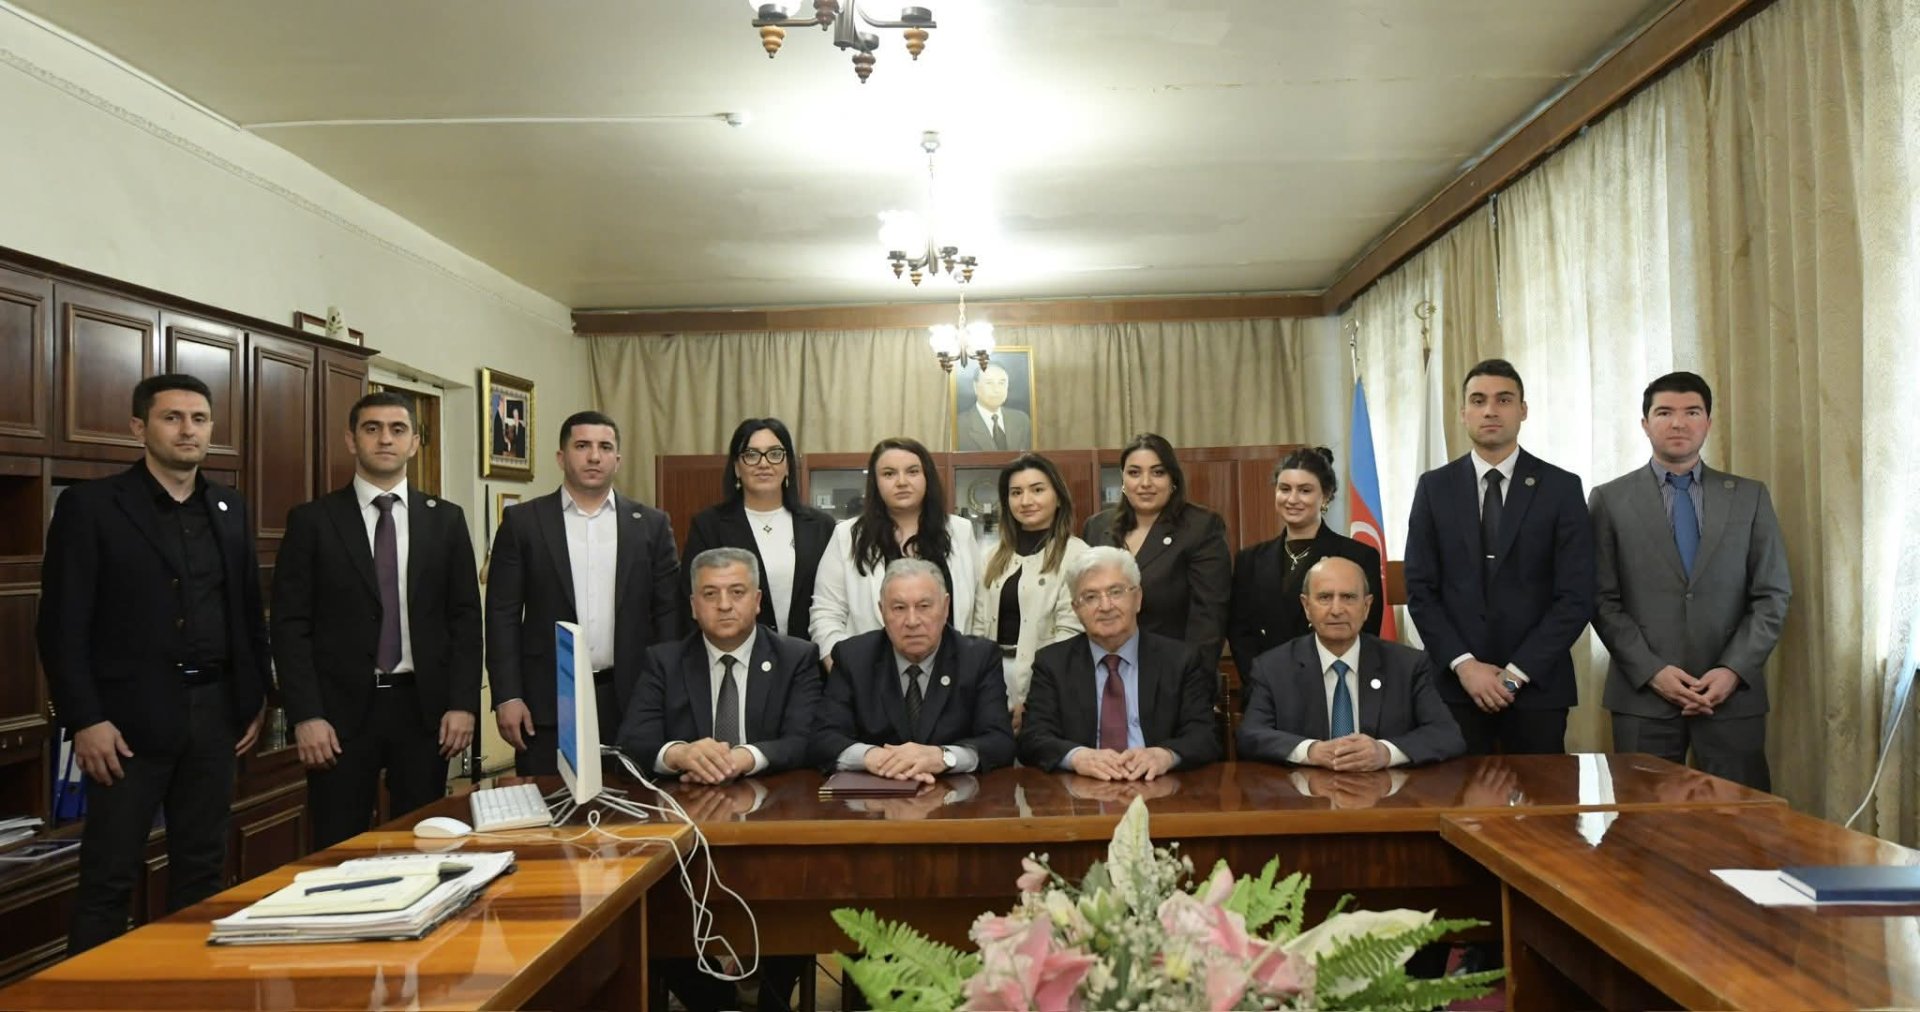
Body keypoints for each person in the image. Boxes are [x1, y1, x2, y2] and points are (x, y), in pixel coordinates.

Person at [38, 374, 272, 954]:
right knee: (109, 874)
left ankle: (186, 985)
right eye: (172, 418)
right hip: (124, 725)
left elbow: (246, 612)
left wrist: (253, 698)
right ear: (139, 428)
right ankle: (90, 993)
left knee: (202, 870)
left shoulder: (230, 507)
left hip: (215, 716)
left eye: (199, 419)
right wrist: (85, 719)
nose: (188, 430)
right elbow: (61, 624)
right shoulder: (92, 506)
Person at [272, 391, 483, 849]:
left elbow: (466, 619)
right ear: (352, 440)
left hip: (424, 713)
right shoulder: (313, 521)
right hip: (338, 718)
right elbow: (290, 626)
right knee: (338, 847)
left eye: (397, 429)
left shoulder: (446, 521)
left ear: (415, 443)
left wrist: (463, 704)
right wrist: (306, 715)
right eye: (372, 429)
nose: (385, 439)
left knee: (424, 843)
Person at [617, 547, 819, 1012]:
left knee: (801, 899)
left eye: (736, 592)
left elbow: (807, 739)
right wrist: (679, 752)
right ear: (693, 606)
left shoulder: (796, 657)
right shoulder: (664, 661)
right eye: (710, 594)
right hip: (687, 838)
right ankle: (713, 1000)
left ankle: (771, 999)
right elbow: (633, 740)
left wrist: (746, 757)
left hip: (775, 830)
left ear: (758, 600)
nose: (724, 605)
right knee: (657, 913)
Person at [1590, 371, 1790, 791]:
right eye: (1664, 412)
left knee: (1740, 822)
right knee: (1643, 822)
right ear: (1645, 424)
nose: (1678, 423)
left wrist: (1732, 670)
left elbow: (1772, 595)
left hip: (1732, 697)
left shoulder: (1750, 496)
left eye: (1692, 412)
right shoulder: (1609, 499)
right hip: (1644, 696)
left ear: (1708, 422)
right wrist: (1652, 671)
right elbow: (1600, 598)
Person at [1404, 359, 1595, 755]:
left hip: (1537, 688)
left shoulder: (1561, 487)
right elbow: (1420, 590)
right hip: (1456, 688)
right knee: (1456, 794)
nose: (1490, 410)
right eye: (1478, 400)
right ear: (1463, 413)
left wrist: (1514, 675)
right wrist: (1465, 666)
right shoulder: (1434, 488)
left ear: (1523, 410)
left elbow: (1576, 596)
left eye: (1503, 400)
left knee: (1540, 796)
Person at [486, 410, 681, 774]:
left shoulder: (651, 525)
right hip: (547, 702)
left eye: (605, 447)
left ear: (617, 459)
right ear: (561, 457)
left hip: (632, 699)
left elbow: (668, 614)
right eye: (582, 446)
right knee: (550, 802)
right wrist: (508, 695)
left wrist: (667, 691)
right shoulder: (523, 522)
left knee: (635, 803)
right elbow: (502, 616)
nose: (594, 456)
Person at [1238, 557, 1465, 767]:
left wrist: (1385, 752)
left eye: (1348, 597)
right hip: (1305, 792)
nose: (1337, 610)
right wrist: (1310, 751)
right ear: (1306, 606)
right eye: (1325, 597)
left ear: (1366, 606)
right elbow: (1250, 734)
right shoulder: (1273, 668)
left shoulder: (1407, 665)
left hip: (1386, 792)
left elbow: (1447, 734)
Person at [1017, 546, 1221, 779]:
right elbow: (1032, 738)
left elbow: (1204, 736)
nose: (1105, 606)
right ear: (1076, 609)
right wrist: (1077, 757)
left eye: (1116, 592)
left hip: (1159, 785)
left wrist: (1165, 755)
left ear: (1138, 598)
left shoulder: (1180, 660)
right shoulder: (1052, 663)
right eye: (1090, 597)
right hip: (1082, 786)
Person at [809, 559, 1015, 776]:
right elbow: (822, 739)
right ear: (881, 611)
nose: (912, 621)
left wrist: (944, 757)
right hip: (876, 790)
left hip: (955, 791)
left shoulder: (978, 658)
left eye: (924, 607)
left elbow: (1000, 743)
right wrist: (873, 757)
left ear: (945, 607)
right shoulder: (854, 657)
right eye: (899, 608)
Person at [810, 437, 980, 660]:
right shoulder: (847, 536)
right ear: (875, 482)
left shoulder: (960, 531)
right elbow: (826, 614)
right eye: (889, 474)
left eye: (912, 471)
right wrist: (846, 670)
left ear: (927, 477)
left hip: (952, 669)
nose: (901, 482)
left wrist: (972, 665)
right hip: (871, 672)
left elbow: (980, 610)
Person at [1228, 446, 1384, 685]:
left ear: (1326, 496)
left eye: (1305, 490)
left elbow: (1365, 629)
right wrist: (1260, 683)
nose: (1292, 499)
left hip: (1333, 685)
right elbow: (1240, 632)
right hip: (1267, 687)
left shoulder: (1358, 556)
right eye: (1285, 489)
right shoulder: (1249, 559)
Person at [1082, 433, 1232, 669]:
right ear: (1123, 479)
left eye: (1158, 472)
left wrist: (1192, 678)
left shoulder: (1200, 527)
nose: (1145, 483)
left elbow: (1209, 619)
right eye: (1134, 473)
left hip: (1174, 670)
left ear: (1173, 479)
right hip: (1107, 669)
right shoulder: (1097, 527)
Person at [682, 418, 835, 638]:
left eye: (775, 454)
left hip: (809, 652)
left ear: (787, 465)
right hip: (738, 651)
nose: (764, 464)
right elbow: (693, 599)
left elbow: (833, 600)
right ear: (736, 467)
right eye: (752, 455)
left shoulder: (821, 526)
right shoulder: (709, 526)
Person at [967, 453, 1089, 726]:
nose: (1026, 501)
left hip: (1047, 680)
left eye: (1037, 490)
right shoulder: (992, 555)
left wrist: (1035, 698)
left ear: (1058, 497)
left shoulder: (1078, 555)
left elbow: (1069, 637)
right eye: (1016, 492)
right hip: (991, 676)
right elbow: (977, 627)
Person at [956, 362, 1033, 451]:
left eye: (1001, 383)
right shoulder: (959, 425)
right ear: (975, 387)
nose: (997, 390)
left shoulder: (1021, 420)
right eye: (989, 383)